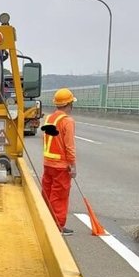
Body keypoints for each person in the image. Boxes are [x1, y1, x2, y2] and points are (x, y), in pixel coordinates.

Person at [41, 88, 77, 235]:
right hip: (61, 166)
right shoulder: (67, 121)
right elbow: (69, 145)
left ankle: (45, 221)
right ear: (69, 104)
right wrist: (72, 165)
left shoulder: (49, 118)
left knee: (47, 194)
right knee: (59, 197)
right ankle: (57, 226)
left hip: (48, 163)